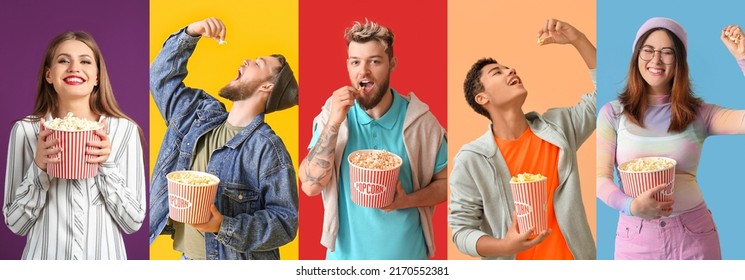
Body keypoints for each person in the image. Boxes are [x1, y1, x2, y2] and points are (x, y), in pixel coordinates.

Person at [148, 17, 299, 260]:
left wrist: (223, 226)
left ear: (267, 87)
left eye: (257, 63)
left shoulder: (267, 149)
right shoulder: (197, 116)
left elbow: (285, 221)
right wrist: (191, 33)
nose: (246, 61)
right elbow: (160, 79)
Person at [597, 17, 745, 259]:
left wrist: (743, 57)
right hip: (635, 238)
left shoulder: (700, 114)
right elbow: (600, 181)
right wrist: (630, 206)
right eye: (648, 50)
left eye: (667, 53)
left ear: (678, 63)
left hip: (695, 236)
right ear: (637, 57)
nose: (656, 60)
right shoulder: (613, 114)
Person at [299, 20, 448, 260]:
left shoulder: (420, 121)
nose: (363, 72)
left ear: (392, 64)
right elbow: (309, 186)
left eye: (375, 61)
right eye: (355, 62)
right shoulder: (333, 116)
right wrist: (335, 122)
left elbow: (448, 183)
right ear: (347, 65)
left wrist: (406, 201)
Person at [449, 19, 596, 260]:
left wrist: (578, 40)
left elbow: (610, 97)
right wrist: (505, 246)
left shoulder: (558, 128)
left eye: (508, 68)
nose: (510, 70)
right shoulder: (472, 159)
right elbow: (462, 232)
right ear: (482, 98)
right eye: (498, 71)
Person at [3, 31, 146, 260]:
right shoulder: (25, 131)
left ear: (97, 77)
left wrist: (106, 164)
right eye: (63, 60)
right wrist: (39, 168)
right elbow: (15, 223)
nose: (74, 68)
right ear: (49, 75)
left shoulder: (124, 131)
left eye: (85, 61)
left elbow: (133, 222)